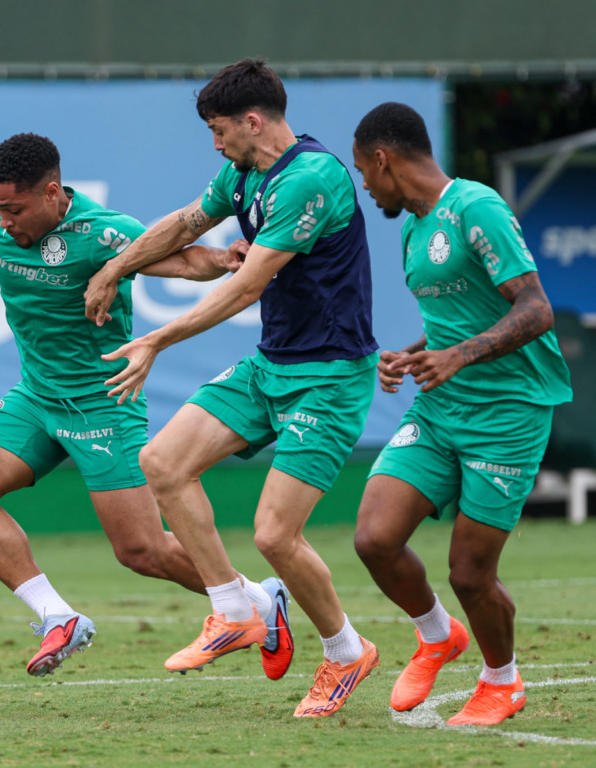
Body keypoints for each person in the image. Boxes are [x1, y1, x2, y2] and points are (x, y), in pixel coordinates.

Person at [84, 58, 380, 717]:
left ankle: (345, 651)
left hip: (329, 379)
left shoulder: (309, 179)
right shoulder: (243, 173)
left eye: (219, 131)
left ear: (252, 121)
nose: (215, 145)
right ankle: (235, 610)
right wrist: (116, 267)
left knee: (275, 536)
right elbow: (185, 224)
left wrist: (157, 339)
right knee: (163, 462)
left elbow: (247, 286)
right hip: (271, 365)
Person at [0, 133, 291, 679]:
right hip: (37, 396)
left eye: (15, 210)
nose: (4, 222)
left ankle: (261, 602)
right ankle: (59, 617)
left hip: (103, 403)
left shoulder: (104, 232)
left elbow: (182, 260)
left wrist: (223, 259)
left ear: (51, 192)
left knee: (143, 552)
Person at [350, 102, 572, 726]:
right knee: (374, 538)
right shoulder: (412, 228)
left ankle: (502, 682)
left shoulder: (476, 207)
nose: (365, 186)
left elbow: (535, 309)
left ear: (383, 159)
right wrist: (415, 354)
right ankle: (436, 633)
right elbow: (458, 322)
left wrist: (459, 356)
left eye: (363, 171)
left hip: (508, 413)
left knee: (471, 574)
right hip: (440, 408)